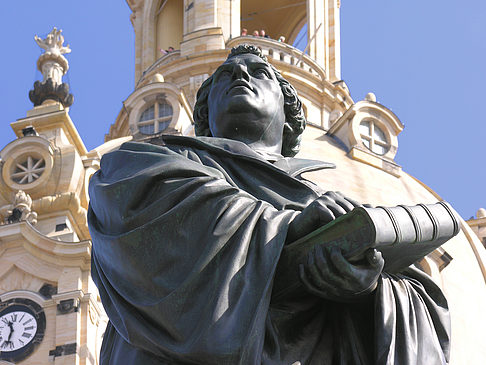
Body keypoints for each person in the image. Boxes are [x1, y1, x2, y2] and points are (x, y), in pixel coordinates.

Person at [88, 45, 451, 364]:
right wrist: (285, 228)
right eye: (226, 75)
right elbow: (133, 206)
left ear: (290, 115)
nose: (241, 74)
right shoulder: (149, 161)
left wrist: (366, 289)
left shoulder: (328, 198)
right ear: (205, 115)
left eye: (259, 73)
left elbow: (419, 324)